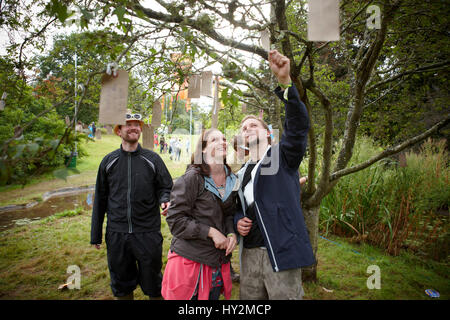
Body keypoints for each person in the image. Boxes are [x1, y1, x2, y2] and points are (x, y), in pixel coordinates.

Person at [234, 50, 315, 300]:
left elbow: (299, 126)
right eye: (243, 128)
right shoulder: (243, 172)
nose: (247, 129)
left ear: (268, 134)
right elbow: (240, 206)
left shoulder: (282, 156)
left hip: (280, 250)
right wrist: (238, 221)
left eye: (253, 125)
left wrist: (286, 84)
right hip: (249, 254)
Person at [90, 110, 173, 300]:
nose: (134, 127)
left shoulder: (152, 160)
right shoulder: (108, 162)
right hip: (117, 233)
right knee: (121, 284)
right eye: (128, 124)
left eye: (137, 125)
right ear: (119, 131)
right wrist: (96, 234)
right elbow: (100, 199)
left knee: (153, 282)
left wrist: (165, 199)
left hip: (148, 232)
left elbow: (165, 186)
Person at [162, 128, 239, 300]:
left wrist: (231, 233)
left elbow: (228, 214)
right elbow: (175, 220)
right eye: (214, 140)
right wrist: (210, 232)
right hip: (191, 262)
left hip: (217, 262)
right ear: (203, 149)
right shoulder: (192, 178)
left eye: (224, 139)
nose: (223, 142)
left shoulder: (231, 180)